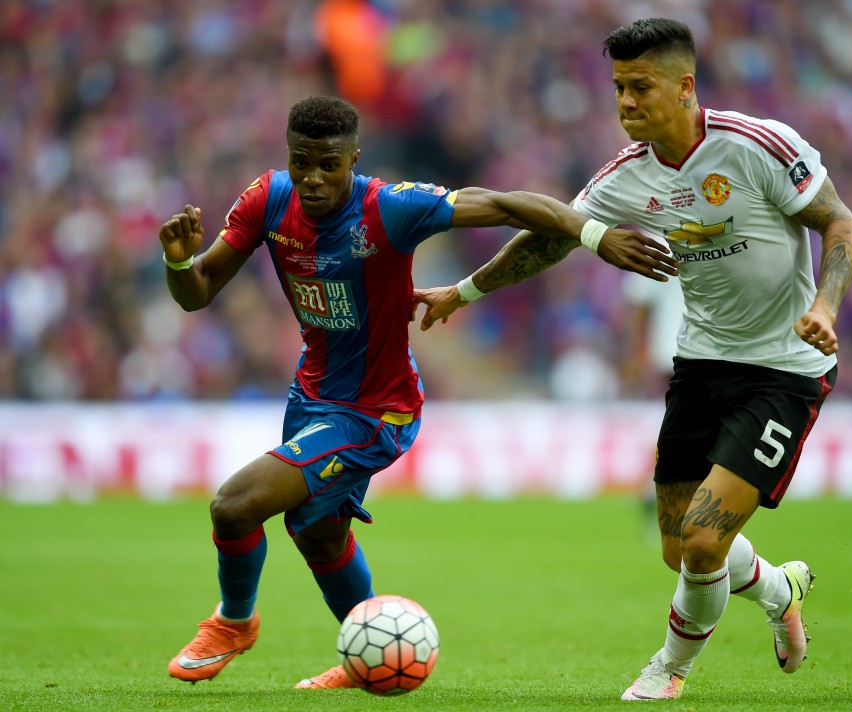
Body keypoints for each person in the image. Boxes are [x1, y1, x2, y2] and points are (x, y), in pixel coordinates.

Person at [159, 95, 677, 689]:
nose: (313, 178)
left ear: (354, 159)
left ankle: (233, 622)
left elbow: (507, 205)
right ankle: (370, 654)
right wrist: (179, 263)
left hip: (378, 410)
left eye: (329, 164)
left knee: (235, 504)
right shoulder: (268, 199)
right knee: (316, 530)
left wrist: (594, 234)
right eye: (302, 162)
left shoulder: (391, 208)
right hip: (312, 396)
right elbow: (197, 292)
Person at [412, 18, 852, 701]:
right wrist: (465, 290)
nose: (624, 102)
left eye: (640, 87)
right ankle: (779, 589)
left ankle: (668, 670)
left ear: (684, 87)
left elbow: (840, 223)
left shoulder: (758, 146)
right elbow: (549, 237)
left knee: (705, 543)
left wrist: (825, 307)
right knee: (679, 549)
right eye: (618, 88)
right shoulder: (628, 175)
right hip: (701, 364)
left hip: (784, 368)